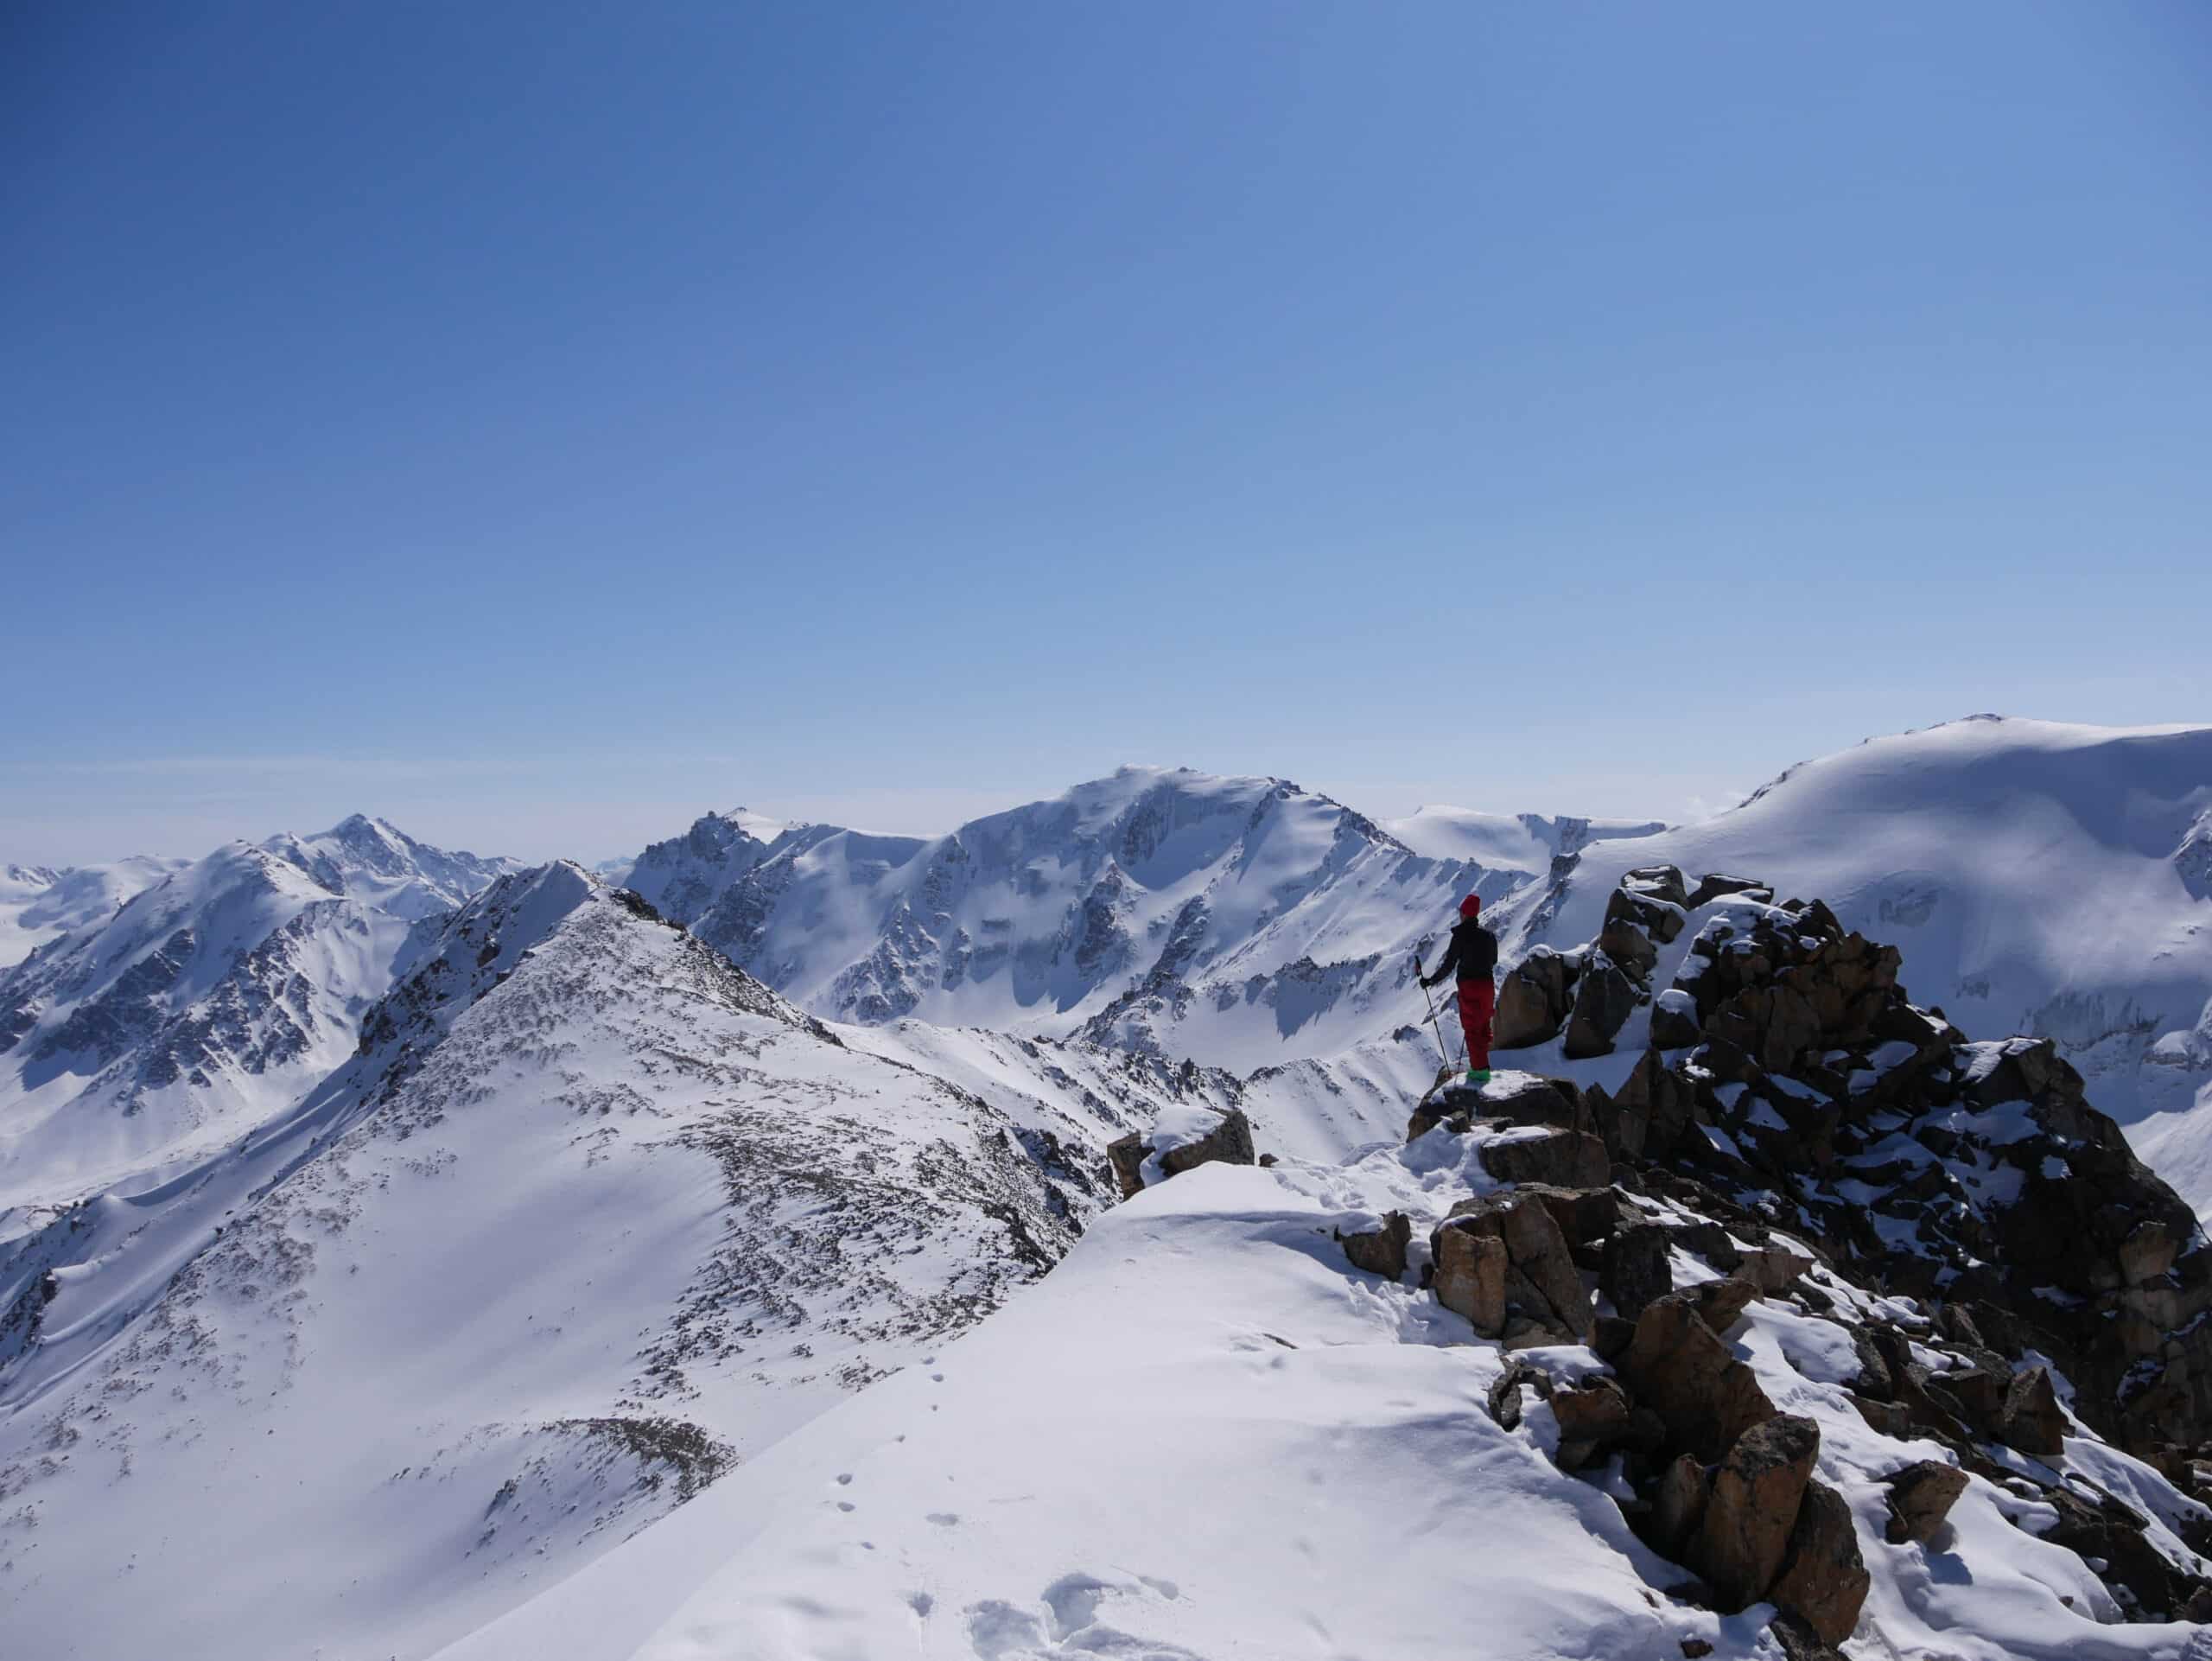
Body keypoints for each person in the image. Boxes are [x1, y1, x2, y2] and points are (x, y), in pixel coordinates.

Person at [1415, 894, 1497, 1085]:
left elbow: (1449, 965)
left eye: (1461, 911)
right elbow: (1493, 960)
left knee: (1471, 1027)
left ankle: (1480, 1072)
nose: (1459, 914)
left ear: (1465, 914)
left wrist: (1430, 981)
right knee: (1483, 1025)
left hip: (1470, 986)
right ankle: (1482, 1066)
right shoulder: (1489, 936)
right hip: (1488, 985)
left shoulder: (1460, 937)